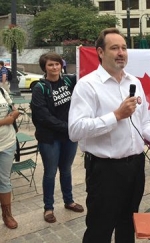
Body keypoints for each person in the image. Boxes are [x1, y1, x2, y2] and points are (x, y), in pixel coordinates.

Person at [68, 27, 150, 243]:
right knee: (99, 228)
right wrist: (116, 116)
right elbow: (75, 130)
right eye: (114, 48)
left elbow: (144, 122)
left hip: (135, 167)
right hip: (105, 170)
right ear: (100, 52)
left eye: (123, 47)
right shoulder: (87, 85)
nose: (121, 52)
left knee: (128, 225)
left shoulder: (134, 82)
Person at [30, 52, 83, 223]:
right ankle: (49, 207)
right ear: (44, 68)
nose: (54, 67)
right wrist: (67, 127)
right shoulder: (40, 88)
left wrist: (85, 53)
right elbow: (43, 116)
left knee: (66, 170)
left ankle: (69, 201)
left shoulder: (69, 81)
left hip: (69, 137)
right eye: (50, 65)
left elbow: (87, 74)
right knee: (50, 173)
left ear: (62, 65)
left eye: (57, 64)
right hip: (50, 138)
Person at [0, 87, 19, 229]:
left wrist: (13, 116)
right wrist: (5, 121)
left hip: (7, 143)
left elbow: (15, 109)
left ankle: (7, 214)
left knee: (4, 180)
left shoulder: (1, 90)